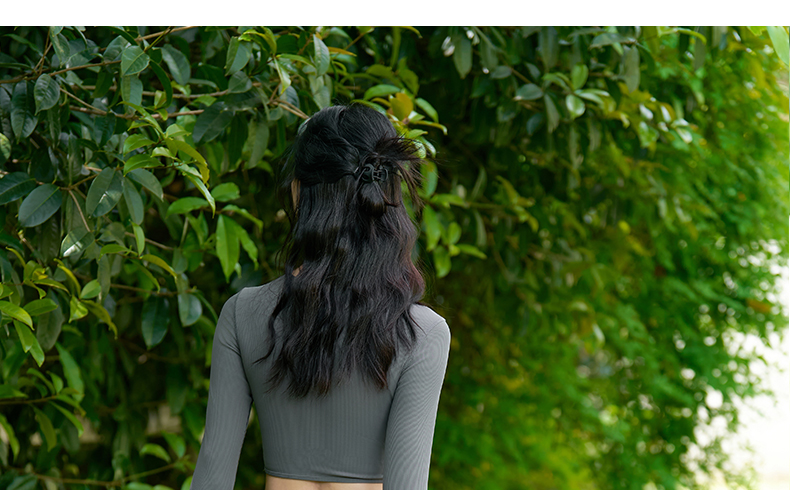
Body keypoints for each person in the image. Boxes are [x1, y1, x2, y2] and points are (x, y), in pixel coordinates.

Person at [189, 103, 452, 490]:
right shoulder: (423, 334)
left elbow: (212, 473)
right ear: (387, 195)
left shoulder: (242, 313)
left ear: (298, 192)